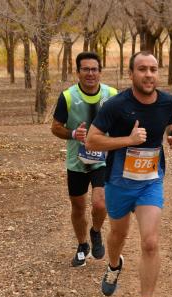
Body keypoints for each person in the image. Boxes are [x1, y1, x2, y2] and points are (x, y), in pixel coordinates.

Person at [85, 51, 172, 297]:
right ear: (131, 74)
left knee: (150, 241)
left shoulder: (166, 100)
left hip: (151, 182)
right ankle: (114, 265)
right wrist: (127, 139)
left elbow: (171, 125)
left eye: (153, 69)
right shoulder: (115, 106)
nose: (149, 74)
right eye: (142, 69)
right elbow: (92, 141)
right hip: (118, 182)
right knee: (118, 234)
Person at [51, 52, 117, 267]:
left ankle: (95, 231)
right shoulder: (68, 96)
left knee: (100, 203)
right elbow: (55, 127)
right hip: (76, 161)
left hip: (103, 159)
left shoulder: (112, 95)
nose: (90, 73)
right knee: (78, 208)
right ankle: (82, 245)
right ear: (77, 72)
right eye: (86, 69)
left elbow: (122, 123)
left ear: (100, 72)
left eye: (94, 69)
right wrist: (72, 134)